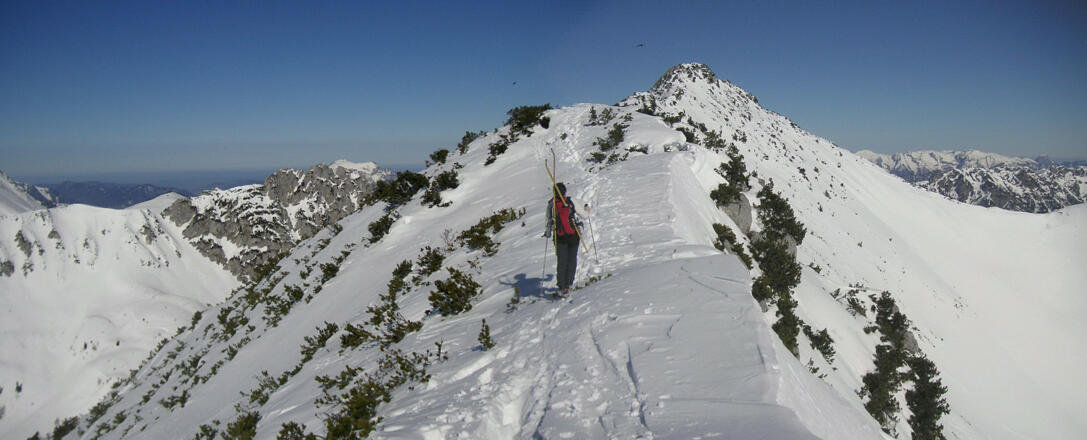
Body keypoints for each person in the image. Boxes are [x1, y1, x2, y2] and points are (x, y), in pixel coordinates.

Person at [544, 182, 583, 295]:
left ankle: (561, 286)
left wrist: (548, 233)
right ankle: (569, 284)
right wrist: (587, 209)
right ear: (565, 191)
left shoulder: (551, 204)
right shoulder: (571, 201)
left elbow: (548, 221)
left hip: (559, 236)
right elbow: (584, 215)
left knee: (561, 261)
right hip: (573, 235)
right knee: (572, 259)